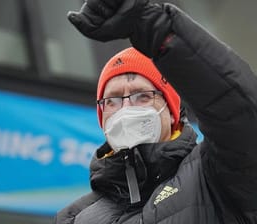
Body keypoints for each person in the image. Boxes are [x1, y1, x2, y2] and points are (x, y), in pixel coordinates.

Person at [55, 0, 257, 223]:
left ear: (171, 112)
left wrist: (153, 24)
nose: (126, 109)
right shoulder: (75, 218)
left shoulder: (215, 175)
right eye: (112, 100)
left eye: (142, 96)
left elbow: (239, 114)